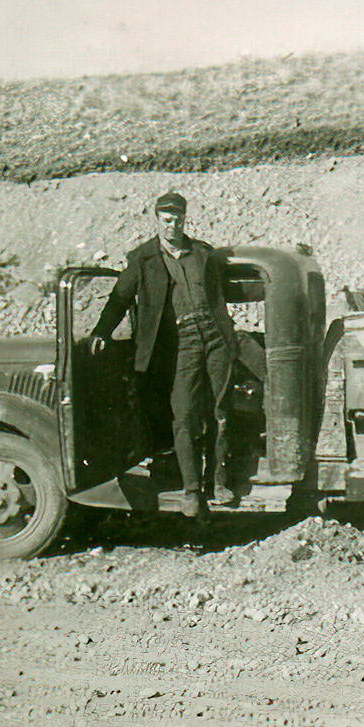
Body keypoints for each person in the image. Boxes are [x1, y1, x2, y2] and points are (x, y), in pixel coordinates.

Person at [85, 192, 237, 518]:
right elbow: (119, 298)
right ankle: (192, 491)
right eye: (166, 220)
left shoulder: (202, 254)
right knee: (183, 415)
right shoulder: (143, 259)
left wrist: (231, 336)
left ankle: (219, 482)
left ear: (185, 219)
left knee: (219, 411)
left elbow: (222, 296)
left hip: (215, 339)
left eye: (178, 219)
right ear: (156, 220)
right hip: (183, 344)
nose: (173, 226)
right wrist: (101, 331)